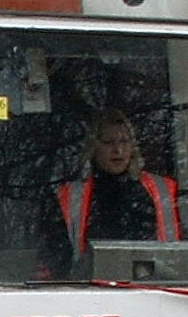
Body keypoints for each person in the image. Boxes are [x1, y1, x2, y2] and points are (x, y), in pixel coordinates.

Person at [51, 107, 180, 269]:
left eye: (124, 141)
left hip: (157, 285)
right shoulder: (71, 197)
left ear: (133, 146)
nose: (117, 150)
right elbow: (56, 257)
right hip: (91, 287)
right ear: (94, 147)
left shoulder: (161, 190)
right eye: (108, 143)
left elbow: (184, 247)